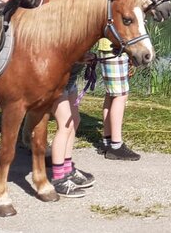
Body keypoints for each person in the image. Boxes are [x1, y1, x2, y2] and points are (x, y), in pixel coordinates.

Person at [50, 60, 95, 197]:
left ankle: (67, 169)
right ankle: (58, 179)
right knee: (65, 124)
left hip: (70, 80)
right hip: (56, 81)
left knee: (74, 120)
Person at [97, 37, 140, 160]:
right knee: (120, 95)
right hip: (116, 48)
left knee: (110, 94)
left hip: (109, 47)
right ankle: (116, 146)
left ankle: (107, 141)